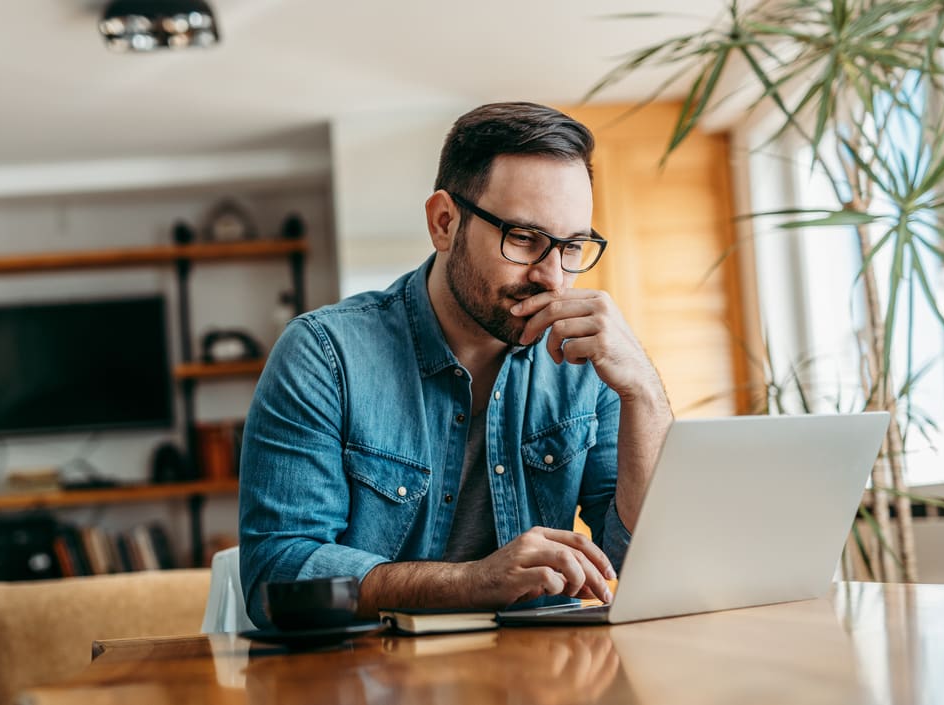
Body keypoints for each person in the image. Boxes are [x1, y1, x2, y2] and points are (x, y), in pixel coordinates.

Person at [238, 102, 673, 628]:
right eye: (524, 239)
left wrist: (643, 392)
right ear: (444, 222)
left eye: (572, 246)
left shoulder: (588, 361)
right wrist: (475, 582)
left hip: (542, 678)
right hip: (372, 678)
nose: (554, 277)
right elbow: (276, 576)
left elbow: (647, 560)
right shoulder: (325, 354)